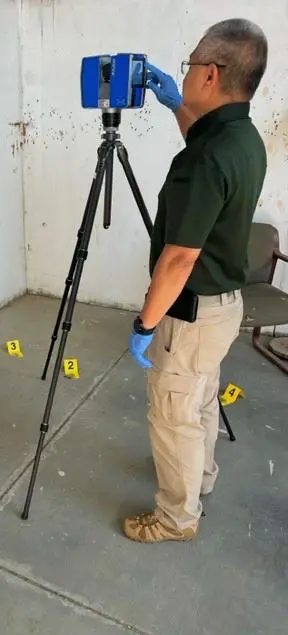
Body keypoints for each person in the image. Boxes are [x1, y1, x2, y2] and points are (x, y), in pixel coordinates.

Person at [125, 18, 268, 543]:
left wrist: (146, 321)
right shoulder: (242, 137)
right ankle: (200, 479)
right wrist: (173, 106)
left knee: (172, 413)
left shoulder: (204, 160)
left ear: (210, 74)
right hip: (224, 309)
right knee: (201, 399)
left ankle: (174, 517)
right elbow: (205, 144)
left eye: (187, 67)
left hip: (190, 311)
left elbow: (179, 258)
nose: (181, 75)